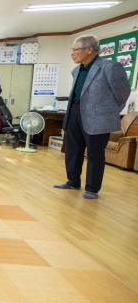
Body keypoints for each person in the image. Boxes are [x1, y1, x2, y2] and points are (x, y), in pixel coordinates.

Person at [54, 35, 131, 199]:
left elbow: (123, 93)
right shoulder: (76, 70)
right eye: (72, 50)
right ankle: (72, 181)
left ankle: (92, 189)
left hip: (98, 117)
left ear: (89, 49)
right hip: (74, 112)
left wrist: (107, 111)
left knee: (95, 154)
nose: (72, 54)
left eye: (75, 50)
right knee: (73, 150)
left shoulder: (109, 67)